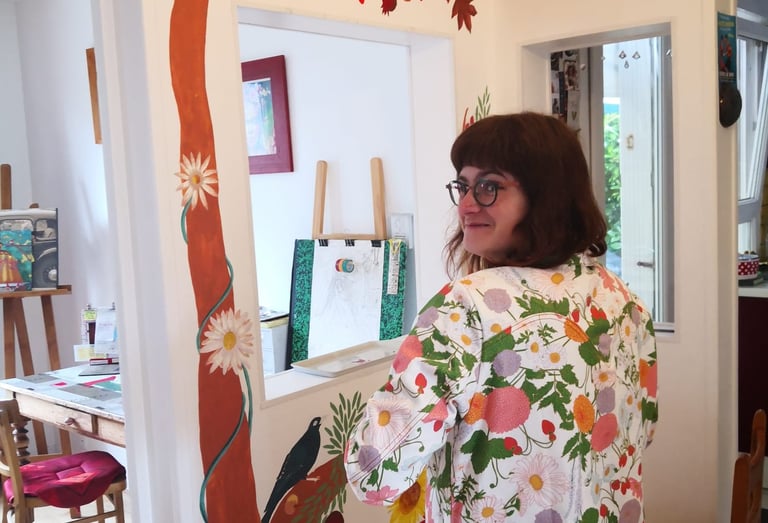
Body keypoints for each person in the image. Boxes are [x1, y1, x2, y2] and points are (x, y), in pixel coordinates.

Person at [344, 112, 659, 522]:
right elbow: (643, 429)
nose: (467, 204)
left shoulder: (466, 310)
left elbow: (375, 472)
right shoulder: (624, 302)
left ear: (546, 197)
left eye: (489, 186)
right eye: (463, 185)